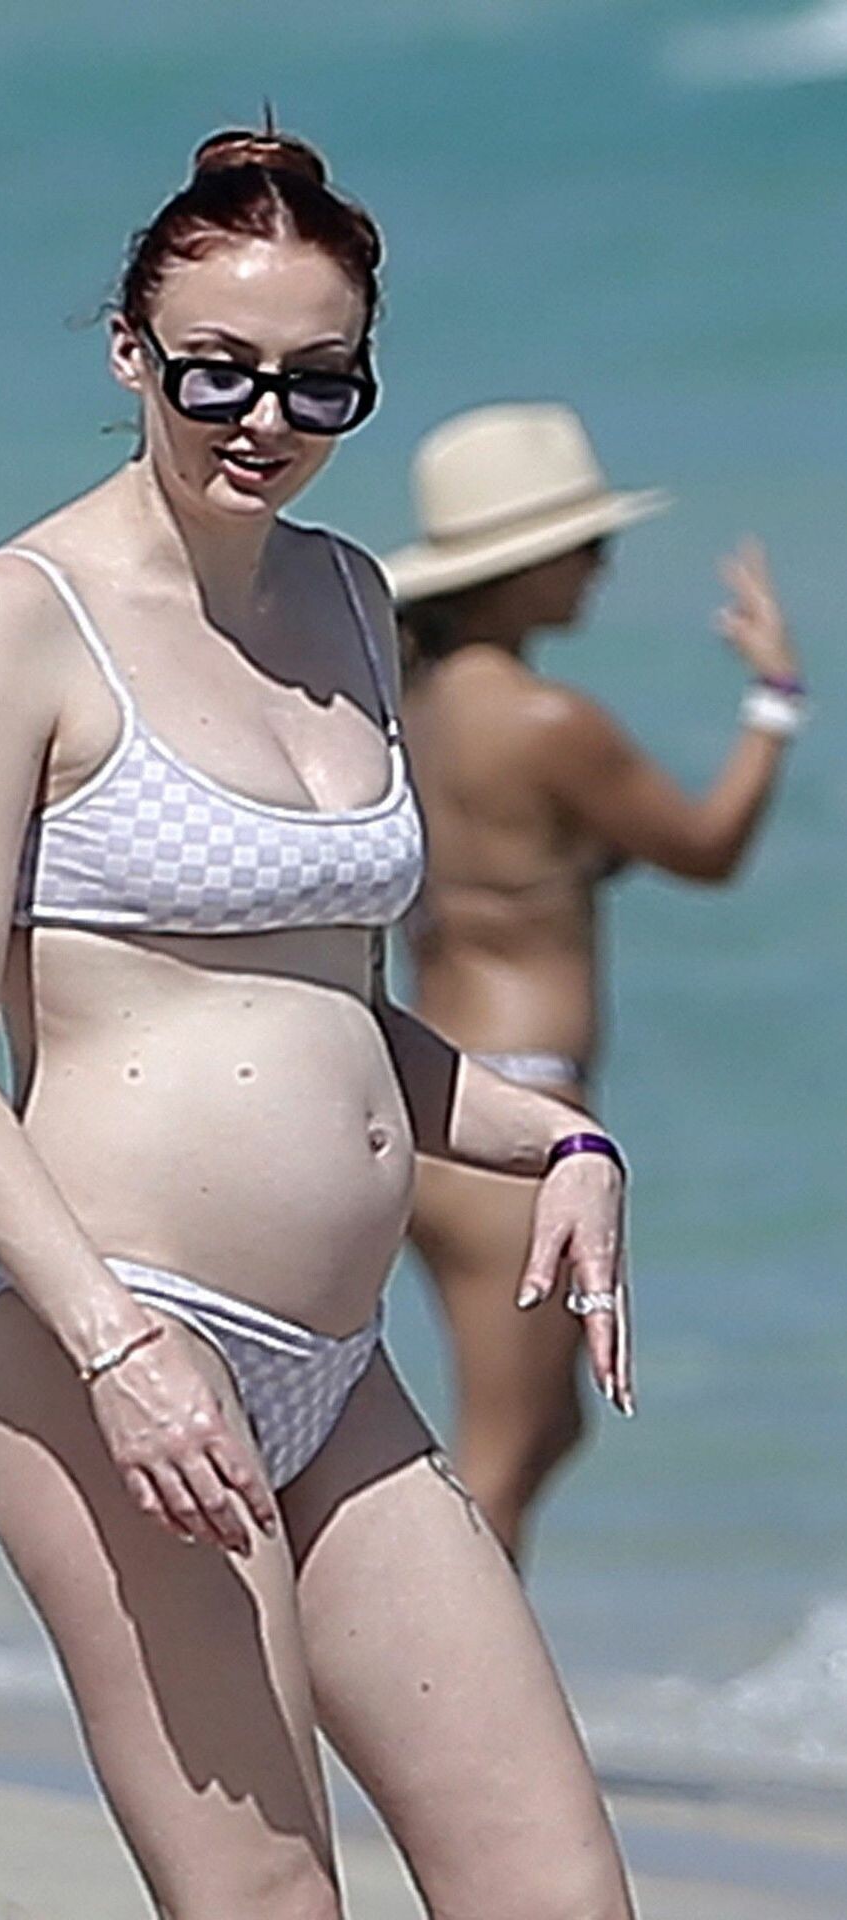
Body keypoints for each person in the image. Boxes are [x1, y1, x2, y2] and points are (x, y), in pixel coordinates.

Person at [0, 129, 640, 1920]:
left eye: (318, 381)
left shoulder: (353, 601)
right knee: (271, 1901)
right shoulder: (13, 617)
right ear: (128, 352)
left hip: (340, 1368)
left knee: (555, 1892)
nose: (264, 419)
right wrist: (115, 1349)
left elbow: (337, 1021)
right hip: (124, 1355)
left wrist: (564, 1139)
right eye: (216, 371)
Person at [384, 403, 806, 1566]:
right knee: (504, 1449)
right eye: (584, 546)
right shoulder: (546, 722)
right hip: (523, 1114)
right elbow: (707, 850)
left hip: (435, 1105)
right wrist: (775, 694)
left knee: (539, 1429)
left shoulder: (412, 714)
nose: (601, 568)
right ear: (514, 570)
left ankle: (439, 1659)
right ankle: (438, 1676)